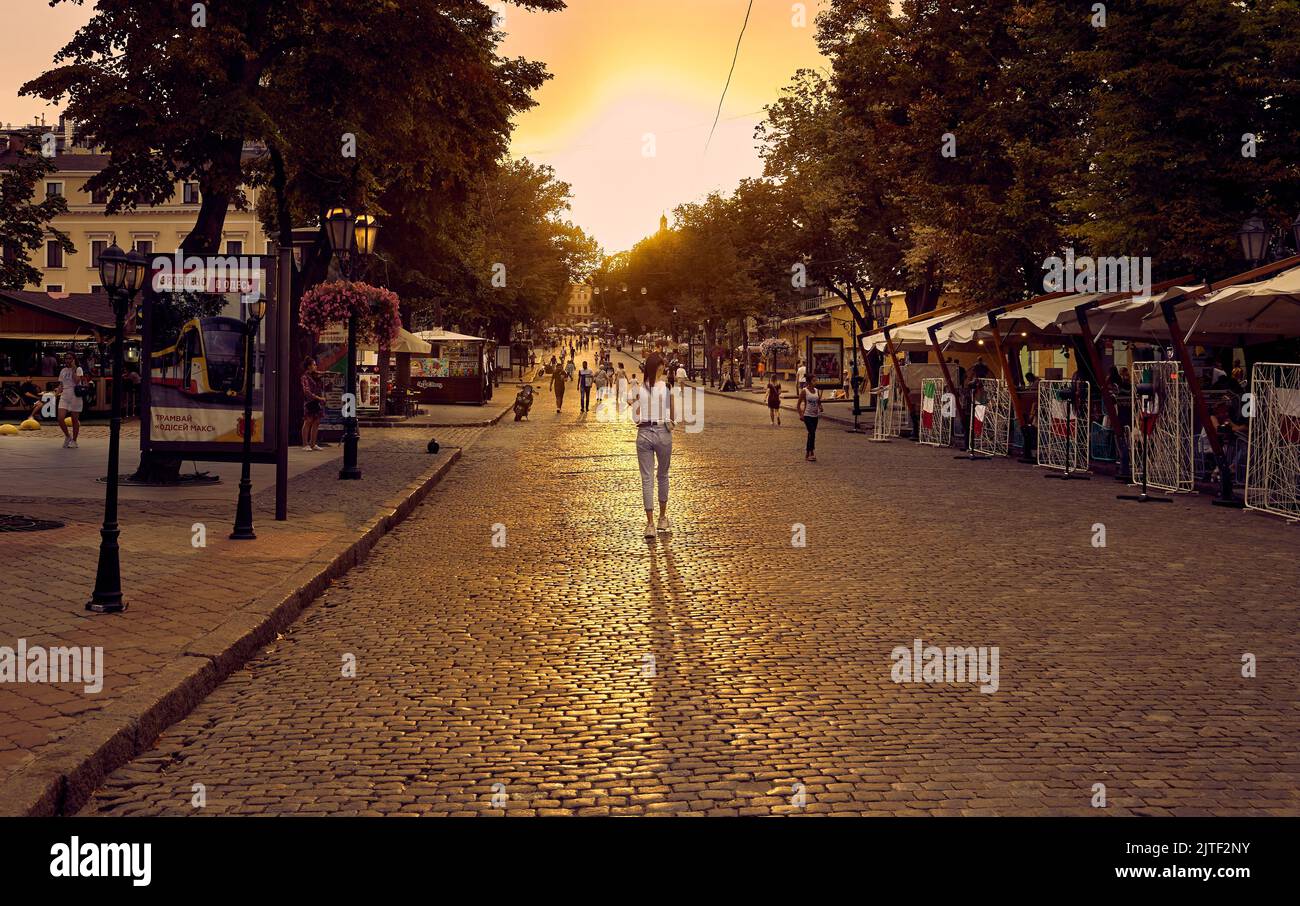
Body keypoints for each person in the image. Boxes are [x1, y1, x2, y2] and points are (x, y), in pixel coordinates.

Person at [629, 354, 675, 538]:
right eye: (662, 367)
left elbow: (635, 414)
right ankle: (662, 518)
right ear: (658, 368)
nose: (663, 370)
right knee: (662, 475)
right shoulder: (667, 387)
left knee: (647, 479)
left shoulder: (640, 389)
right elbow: (673, 415)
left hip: (644, 433)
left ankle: (650, 524)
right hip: (663, 432)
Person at [57, 352, 86, 448]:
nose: (68, 360)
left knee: (74, 419)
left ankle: (74, 440)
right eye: (66, 358)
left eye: (70, 358)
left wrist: (73, 369)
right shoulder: (63, 370)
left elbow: (77, 381)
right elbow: (61, 384)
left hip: (75, 396)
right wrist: (56, 392)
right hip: (64, 395)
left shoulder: (78, 369)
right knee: (60, 418)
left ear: (74, 359)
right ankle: (67, 436)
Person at [301, 356, 327, 451]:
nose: (316, 367)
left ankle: (313, 443)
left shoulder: (315, 376)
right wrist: (319, 398)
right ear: (309, 366)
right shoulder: (305, 377)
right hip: (310, 401)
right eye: (314, 365)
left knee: (316, 421)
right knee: (308, 421)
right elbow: (307, 391)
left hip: (316, 401)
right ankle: (305, 444)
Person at [797, 374, 822, 462]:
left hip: (815, 416)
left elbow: (818, 401)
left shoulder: (816, 390)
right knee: (812, 432)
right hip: (807, 415)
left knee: (811, 433)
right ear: (809, 382)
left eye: (816, 380)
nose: (815, 382)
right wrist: (801, 414)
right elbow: (798, 404)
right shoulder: (804, 391)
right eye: (814, 380)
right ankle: (811, 452)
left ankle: (807, 453)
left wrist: (820, 406)